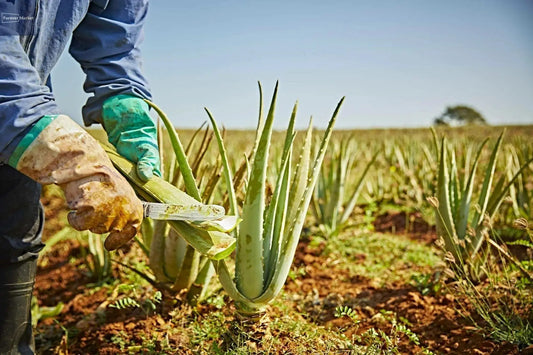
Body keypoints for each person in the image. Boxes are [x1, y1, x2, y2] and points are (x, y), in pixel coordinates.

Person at [0, 1, 160, 353]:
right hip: (16, 105)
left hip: (21, 110)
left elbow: (115, 26)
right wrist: (68, 155)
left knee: (14, 241)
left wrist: (123, 95)